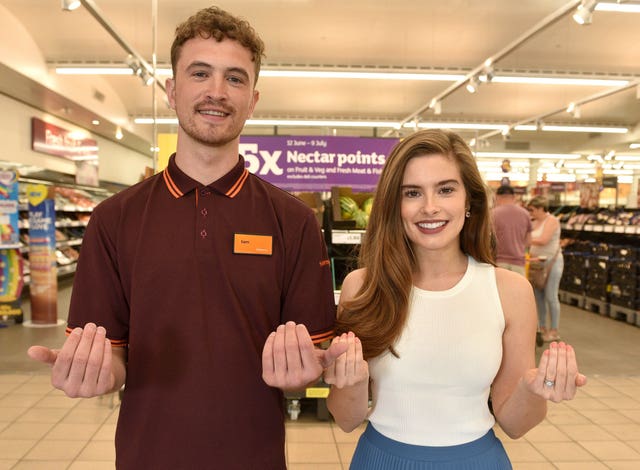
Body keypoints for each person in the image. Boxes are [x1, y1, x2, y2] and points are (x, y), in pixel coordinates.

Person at [27, 6, 345, 469]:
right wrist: (95, 374)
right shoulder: (113, 219)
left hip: (254, 456)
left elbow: (310, 358)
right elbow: (113, 357)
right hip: (145, 455)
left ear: (253, 101)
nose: (217, 92)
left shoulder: (293, 221)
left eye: (235, 78)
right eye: (201, 73)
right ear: (172, 92)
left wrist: (308, 372)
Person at [323, 129, 586, 469]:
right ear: (394, 206)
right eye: (412, 193)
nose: (430, 207)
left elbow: (516, 424)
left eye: (445, 189)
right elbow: (345, 418)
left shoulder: (509, 291)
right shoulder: (362, 286)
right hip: (381, 459)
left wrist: (535, 389)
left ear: (469, 202)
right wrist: (350, 381)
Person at [527, 196, 564, 342]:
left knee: (551, 296)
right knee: (539, 298)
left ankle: (554, 330)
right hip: (536, 263)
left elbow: (544, 240)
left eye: (532, 210)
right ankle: (542, 327)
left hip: (552, 263)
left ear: (541, 208)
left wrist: (524, 240)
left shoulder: (552, 221)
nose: (530, 212)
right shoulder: (533, 221)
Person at [492, 184, 532, 276]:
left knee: (500, 290)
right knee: (518, 290)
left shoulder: (493, 214)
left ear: (497, 196)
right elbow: (529, 241)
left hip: (499, 263)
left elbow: (487, 241)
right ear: (514, 197)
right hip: (519, 262)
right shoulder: (525, 214)